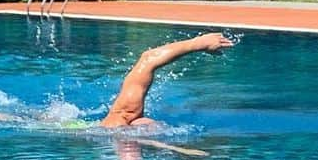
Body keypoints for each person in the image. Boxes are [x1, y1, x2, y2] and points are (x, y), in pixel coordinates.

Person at [0, 31, 233, 155]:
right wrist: (197, 44)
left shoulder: (127, 121)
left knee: (45, 122)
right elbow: (148, 58)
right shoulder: (127, 118)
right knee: (39, 122)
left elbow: (149, 58)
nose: (154, 124)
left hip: (87, 127)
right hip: (93, 127)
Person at [99, 32, 233, 128]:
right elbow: (148, 59)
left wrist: (198, 44)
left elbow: (148, 58)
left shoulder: (123, 116)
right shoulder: (122, 118)